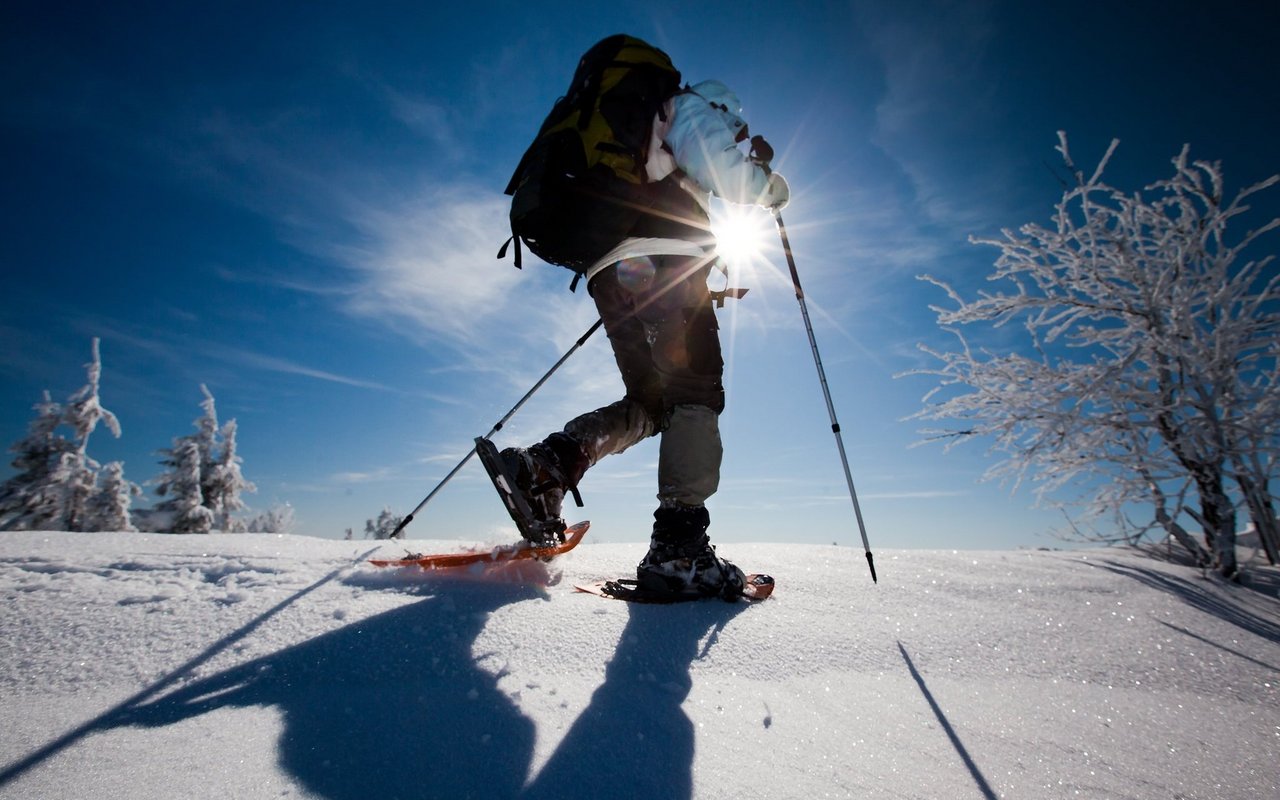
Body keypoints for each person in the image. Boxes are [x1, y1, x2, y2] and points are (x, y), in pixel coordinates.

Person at [481, 78, 789, 599]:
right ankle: (680, 549)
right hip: (665, 263)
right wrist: (769, 185)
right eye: (732, 127)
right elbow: (727, 174)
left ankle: (546, 467)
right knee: (695, 394)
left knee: (649, 401)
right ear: (724, 111)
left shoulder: (634, 127)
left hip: (609, 272)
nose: (733, 135)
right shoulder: (687, 107)